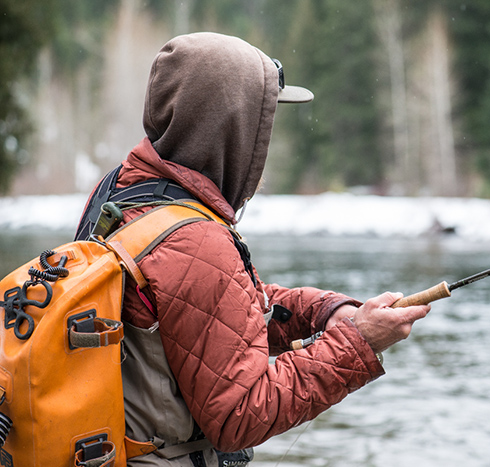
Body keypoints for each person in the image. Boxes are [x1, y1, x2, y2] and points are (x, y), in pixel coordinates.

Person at [76, 32, 430, 466]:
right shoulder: (195, 239)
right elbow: (239, 416)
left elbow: (215, 311)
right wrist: (358, 343)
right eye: (263, 123)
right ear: (233, 129)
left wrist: (324, 312)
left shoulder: (119, 191)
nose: (266, 143)